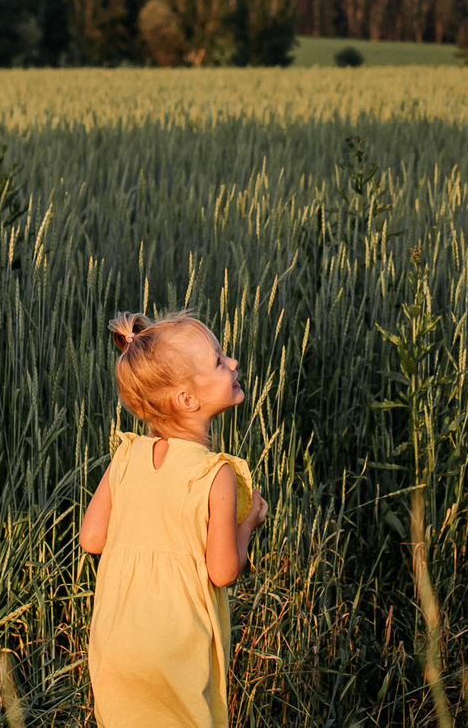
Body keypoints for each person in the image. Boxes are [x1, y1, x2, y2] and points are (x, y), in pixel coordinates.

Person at [80, 311, 270, 727]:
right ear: (187, 399)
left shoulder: (126, 455)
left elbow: (92, 538)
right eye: (220, 361)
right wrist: (247, 526)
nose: (233, 363)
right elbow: (222, 572)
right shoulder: (214, 473)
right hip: (175, 644)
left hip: (116, 638)